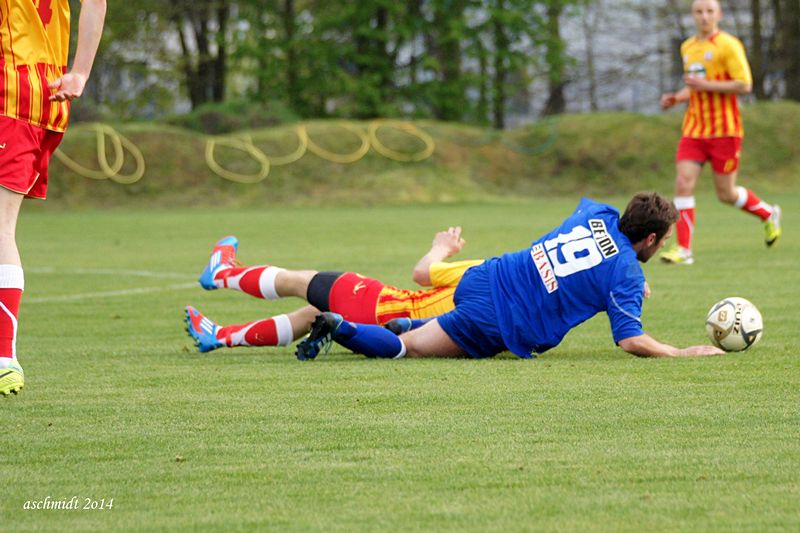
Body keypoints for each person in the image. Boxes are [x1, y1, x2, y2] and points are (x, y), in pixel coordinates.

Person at [295, 193, 726, 361]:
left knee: (419, 325)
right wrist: (680, 352)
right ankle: (342, 327)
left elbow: (599, 252)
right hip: (499, 320)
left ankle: (409, 323)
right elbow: (631, 340)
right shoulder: (625, 274)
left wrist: (630, 272)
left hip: (487, 275)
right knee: (407, 351)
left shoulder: (598, 212)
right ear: (649, 238)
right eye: (662, 240)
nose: (662, 246)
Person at [0, 0, 107, 397]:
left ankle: (3, 358)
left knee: (0, 228)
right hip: (44, 95)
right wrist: (80, 73)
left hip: (11, 93)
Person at [184, 228, 483, 353]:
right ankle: (220, 336)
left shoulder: (491, 272)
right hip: (388, 336)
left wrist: (441, 248)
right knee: (310, 314)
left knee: (299, 281)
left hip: (383, 305)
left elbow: (422, 273)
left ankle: (222, 273)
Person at [659, 0, 780, 266]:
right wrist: (677, 98)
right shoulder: (687, 47)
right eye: (699, 12)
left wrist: (705, 84)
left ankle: (768, 213)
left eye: (709, 11)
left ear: (719, 14)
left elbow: (744, 85)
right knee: (683, 183)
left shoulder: (728, 45)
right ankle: (684, 250)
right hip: (694, 129)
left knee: (726, 194)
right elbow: (695, 86)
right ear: (692, 15)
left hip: (725, 130)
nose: (704, 16)